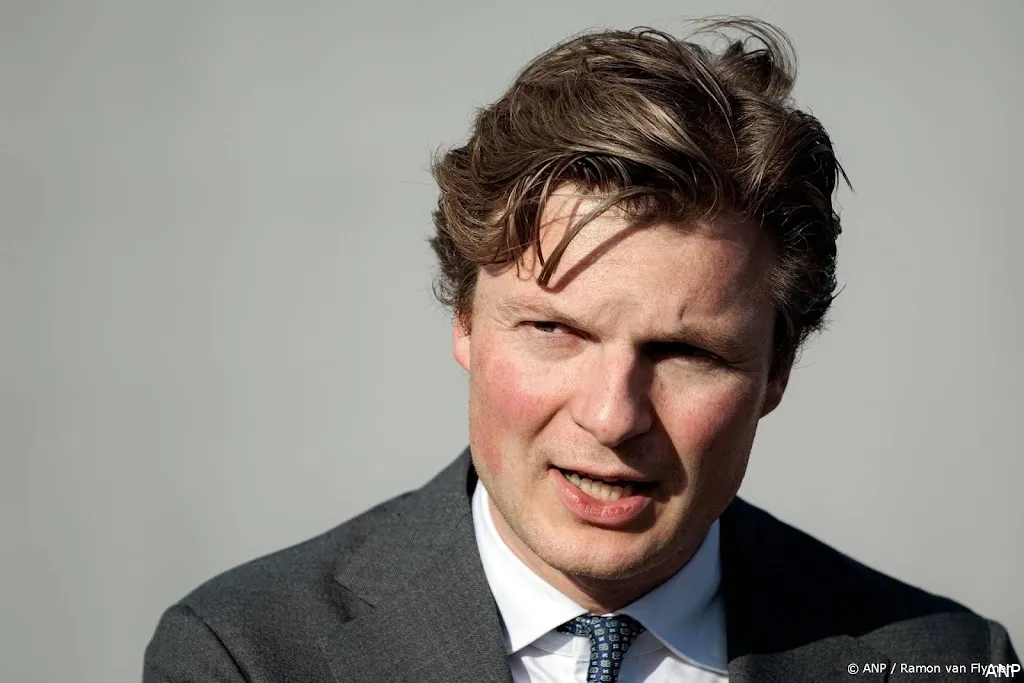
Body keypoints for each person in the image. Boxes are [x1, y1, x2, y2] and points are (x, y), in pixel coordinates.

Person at [143, 17, 1018, 683]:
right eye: (555, 330)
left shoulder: (946, 660)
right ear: (465, 321)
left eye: (686, 353)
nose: (611, 415)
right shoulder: (249, 655)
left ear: (776, 372)